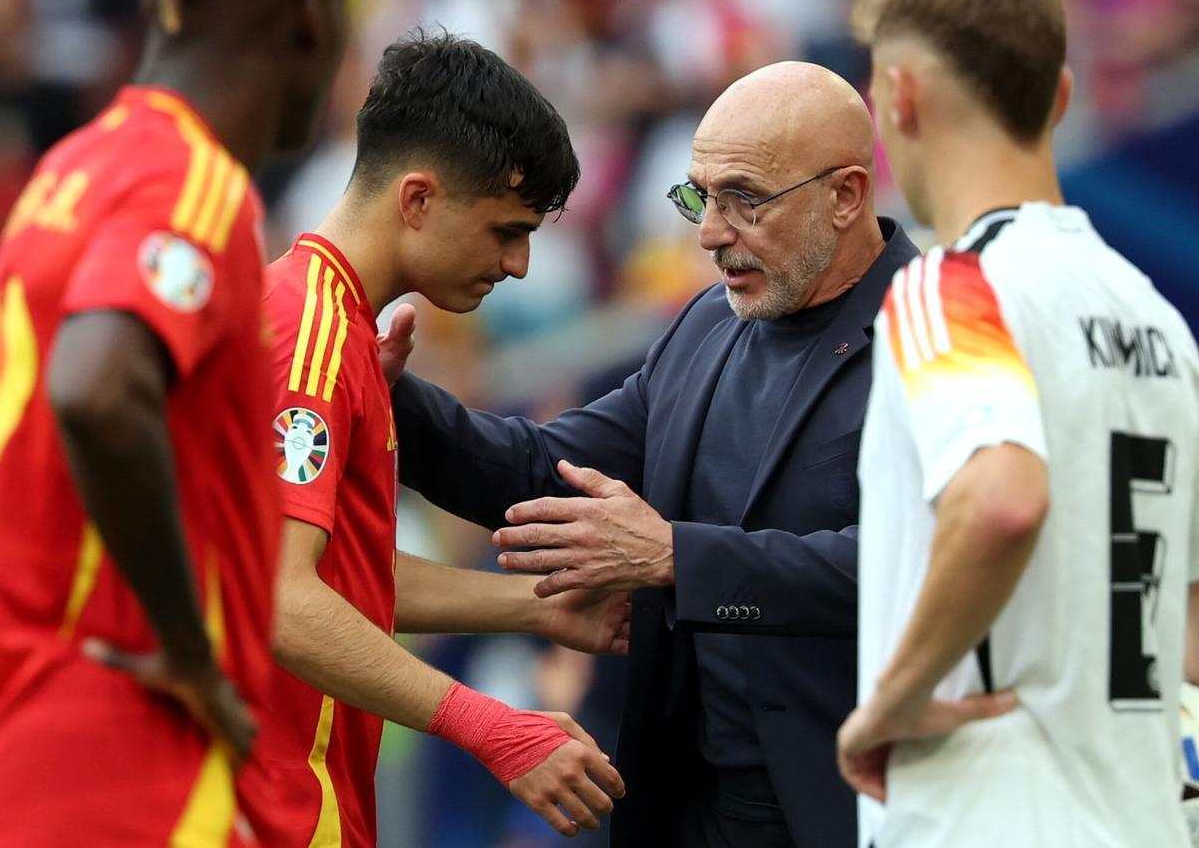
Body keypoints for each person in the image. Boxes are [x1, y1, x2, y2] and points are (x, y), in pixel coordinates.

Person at [382, 61, 919, 847]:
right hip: (688, 809)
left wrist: (678, 558)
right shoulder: (707, 325)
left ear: (845, 196)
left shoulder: (934, 334)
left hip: (861, 808)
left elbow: (917, 566)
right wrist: (388, 397)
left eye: (742, 199)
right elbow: (546, 472)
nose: (707, 232)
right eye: (698, 195)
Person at [838, 0, 1199, 847]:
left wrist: (891, 703)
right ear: (1061, 97)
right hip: (1146, 815)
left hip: (989, 812)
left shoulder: (952, 284)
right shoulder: (1157, 319)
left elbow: (1002, 499)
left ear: (901, 96)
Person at [0, 0, 348, 845]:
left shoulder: (74, 165)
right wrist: (189, 647)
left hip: (33, 723)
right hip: (121, 741)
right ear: (306, 14)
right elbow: (98, 389)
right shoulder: (191, 181)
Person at [259, 33, 625, 846]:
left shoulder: (337, 328)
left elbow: (338, 574)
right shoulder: (310, 336)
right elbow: (279, 599)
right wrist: (492, 727)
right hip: (271, 806)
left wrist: (541, 608)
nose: (522, 265)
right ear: (418, 200)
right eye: (505, 230)